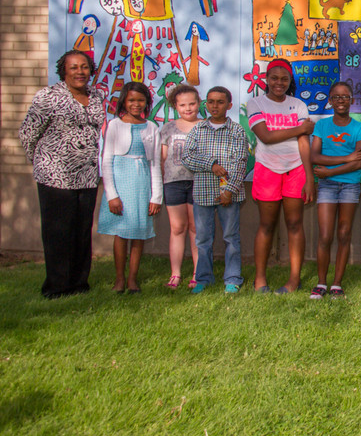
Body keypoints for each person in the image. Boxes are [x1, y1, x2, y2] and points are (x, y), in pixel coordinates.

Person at [19, 50, 107, 299]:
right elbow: (28, 133)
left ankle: (79, 283)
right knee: (58, 232)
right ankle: (56, 287)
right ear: (63, 71)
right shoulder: (48, 96)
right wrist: (40, 162)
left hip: (88, 175)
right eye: (74, 68)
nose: (80, 72)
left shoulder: (97, 95)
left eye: (85, 67)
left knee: (81, 230)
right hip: (55, 175)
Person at [247, 58, 315, 294]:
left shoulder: (298, 105)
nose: (279, 83)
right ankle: (260, 280)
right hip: (267, 168)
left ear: (290, 81)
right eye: (274, 78)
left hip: (295, 169)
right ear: (266, 79)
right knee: (266, 224)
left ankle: (294, 280)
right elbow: (265, 136)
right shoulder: (255, 103)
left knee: (295, 224)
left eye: (284, 79)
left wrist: (309, 177)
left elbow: (303, 143)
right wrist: (300, 129)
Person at [181, 86, 250, 294]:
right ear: (206, 104)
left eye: (220, 102)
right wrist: (210, 164)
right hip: (202, 193)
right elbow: (187, 157)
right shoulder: (198, 129)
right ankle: (203, 278)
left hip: (229, 195)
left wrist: (229, 190)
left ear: (229, 105)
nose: (215, 106)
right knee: (203, 238)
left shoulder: (236, 131)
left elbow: (240, 163)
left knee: (231, 237)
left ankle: (232, 278)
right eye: (211, 101)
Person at [97, 81, 162, 294]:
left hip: (142, 184)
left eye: (141, 100)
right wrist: (112, 195)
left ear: (147, 102)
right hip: (121, 181)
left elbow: (154, 163)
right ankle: (119, 279)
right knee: (121, 233)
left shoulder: (151, 127)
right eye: (132, 100)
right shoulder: (115, 125)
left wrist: (156, 197)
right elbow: (106, 161)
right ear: (124, 101)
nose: (136, 104)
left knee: (139, 233)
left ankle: (133, 279)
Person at [311, 82, 361, 299]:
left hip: (350, 186)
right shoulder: (322, 126)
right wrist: (347, 158)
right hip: (327, 187)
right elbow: (314, 157)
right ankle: (321, 283)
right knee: (325, 235)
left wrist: (330, 171)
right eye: (336, 97)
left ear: (352, 101)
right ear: (330, 101)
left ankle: (336, 284)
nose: (341, 100)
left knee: (343, 234)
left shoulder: (358, 128)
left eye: (345, 97)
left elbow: (360, 162)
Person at [158, 84, 201, 290]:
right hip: (173, 184)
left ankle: (197, 273)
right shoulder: (167, 128)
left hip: (198, 183)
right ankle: (175, 274)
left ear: (199, 103)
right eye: (183, 105)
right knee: (177, 228)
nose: (188, 108)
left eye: (192, 103)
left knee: (195, 228)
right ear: (176, 106)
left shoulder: (205, 126)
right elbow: (162, 159)